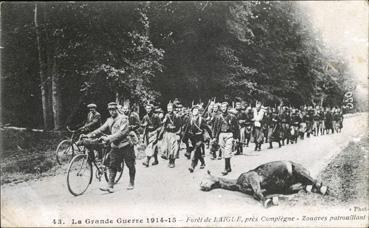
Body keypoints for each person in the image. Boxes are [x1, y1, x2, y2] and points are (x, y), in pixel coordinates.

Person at [86, 102, 135, 192]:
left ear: (116, 109)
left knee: (130, 165)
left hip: (126, 145)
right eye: (110, 110)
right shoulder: (109, 120)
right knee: (112, 165)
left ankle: (131, 182)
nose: (111, 111)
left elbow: (122, 133)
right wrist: (90, 135)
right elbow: (101, 129)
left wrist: (109, 138)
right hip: (115, 146)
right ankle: (110, 186)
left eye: (113, 109)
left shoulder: (123, 119)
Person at [186, 105, 213, 173]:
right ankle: (203, 162)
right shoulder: (190, 119)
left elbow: (207, 128)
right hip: (192, 138)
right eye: (194, 110)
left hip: (200, 138)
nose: (195, 112)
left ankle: (192, 166)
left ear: (198, 112)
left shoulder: (202, 119)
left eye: (196, 110)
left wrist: (212, 137)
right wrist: (185, 138)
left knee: (195, 151)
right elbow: (187, 129)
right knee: (198, 152)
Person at [218, 102, 238, 175]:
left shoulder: (232, 117)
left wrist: (236, 137)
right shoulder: (219, 117)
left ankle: (225, 168)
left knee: (227, 151)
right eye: (222, 107)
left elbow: (236, 128)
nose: (223, 108)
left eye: (225, 107)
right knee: (224, 152)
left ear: (227, 108)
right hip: (221, 135)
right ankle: (229, 167)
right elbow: (216, 127)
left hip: (229, 134)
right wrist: (214, 137)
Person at [161, 102, 182, 168]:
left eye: (170, 108)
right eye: (168, 108)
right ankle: (169, 159)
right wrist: (164, 121)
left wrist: (178, 134)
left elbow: (180, 125)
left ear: (173, 108)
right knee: (168, 148)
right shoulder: (166, 115)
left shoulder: (176, 116)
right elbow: (164, 124)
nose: (169, 109)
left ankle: (172, 161)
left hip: (174, 133)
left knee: (173, 148)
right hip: (168, 133)